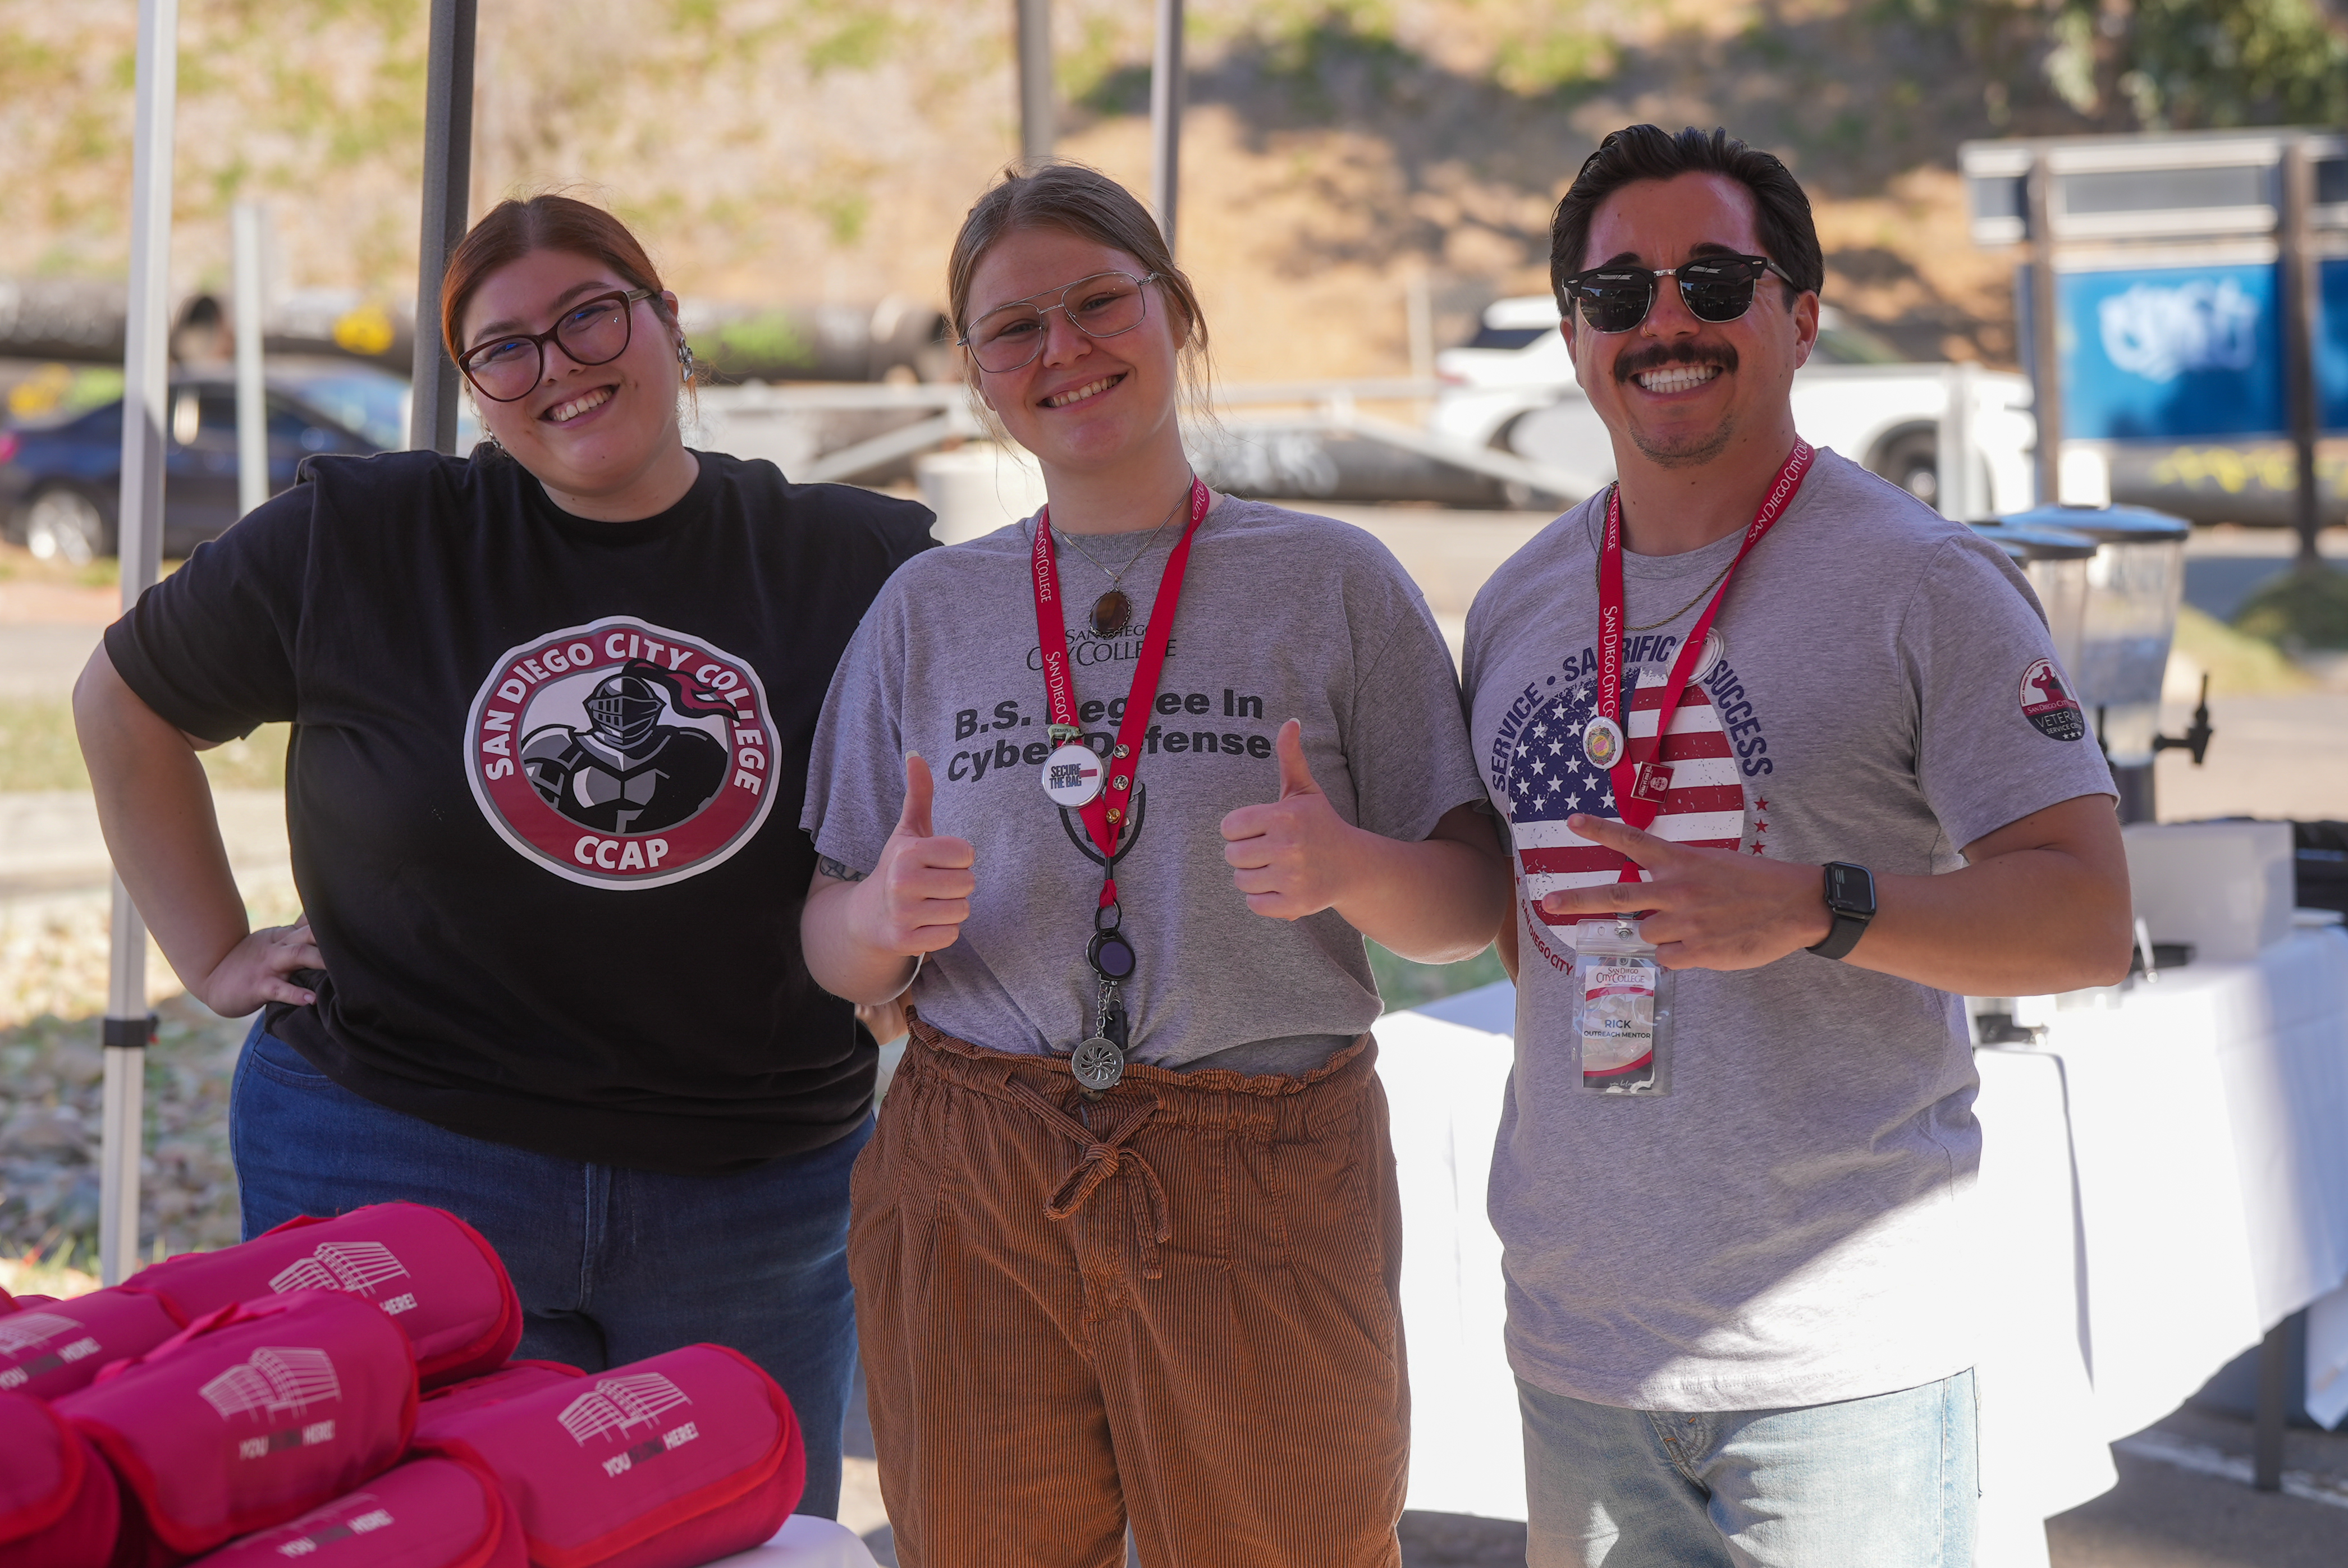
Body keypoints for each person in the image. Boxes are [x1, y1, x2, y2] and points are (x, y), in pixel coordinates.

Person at [73, 194, 933, 1518]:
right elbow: (125, 699)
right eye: (506, 348)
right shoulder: (363, 534)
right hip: (401, 1160)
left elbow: (970, 777)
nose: (559, 366)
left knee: (733, 1536)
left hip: (750, 1189)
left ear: (666, 320)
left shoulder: (859, 556)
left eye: (590, 315)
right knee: (413, 1535)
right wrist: (213, 949)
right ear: (474, 389)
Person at [799, 162, 1510, 1568]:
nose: (1062, 349)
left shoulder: (1333, 580)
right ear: (974, 370)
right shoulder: (925, 608)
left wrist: (1350, 866)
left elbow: (1468, 908)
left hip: (1262, 1158)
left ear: (1173, 310)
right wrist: (880, 914)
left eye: (1096, 303)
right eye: (1014, 328)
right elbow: (829, 947)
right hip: (975, 1156)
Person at [1459, 126, 2132, 1567]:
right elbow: (1525, 927)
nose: (1665, 322)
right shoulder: (1515, 600)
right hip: (1580, 1342)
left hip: (1841, 1358)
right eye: (1617, 292)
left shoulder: (1925, 581)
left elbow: (2083, 918)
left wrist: (1815, 905)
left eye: (1712, 280)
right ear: (1574, 337)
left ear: (1802, 315)